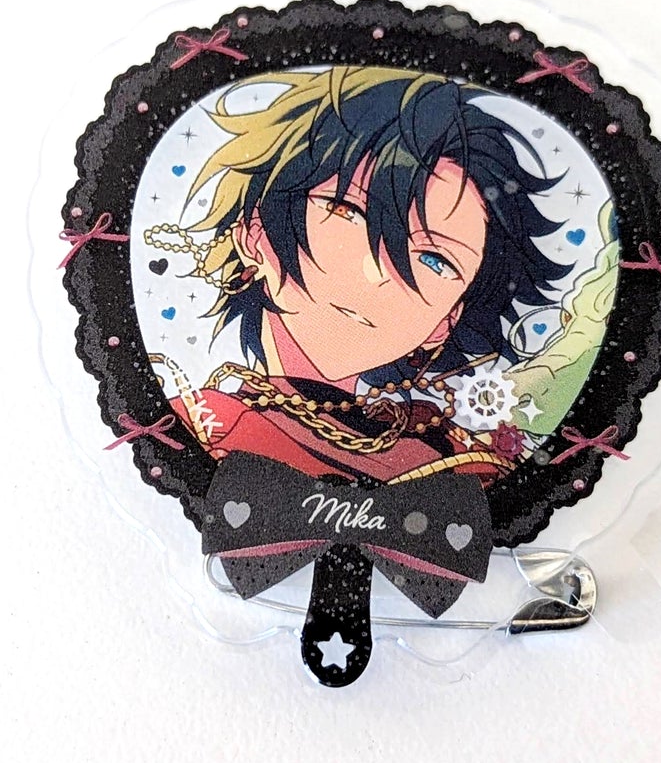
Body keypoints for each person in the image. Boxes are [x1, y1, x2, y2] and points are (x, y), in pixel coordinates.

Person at [144, 65, 569, 484]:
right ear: (256, 233)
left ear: (447, 320)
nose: (378, 272)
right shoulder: (199, 427)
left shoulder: (459, 462)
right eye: (346, 211)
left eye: (435, 260)